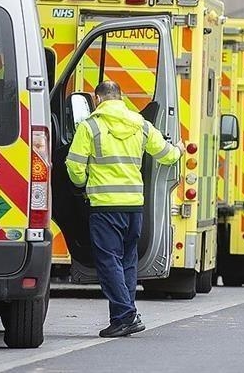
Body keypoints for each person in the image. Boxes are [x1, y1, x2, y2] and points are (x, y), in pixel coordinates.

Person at [65, 81, 184, 338]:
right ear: (121, 97)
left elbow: (74, 166)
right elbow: (166, 155)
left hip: (105, 206)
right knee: (127, 262)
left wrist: (81, 185)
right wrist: (179, 150)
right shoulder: (139, 124)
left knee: (108, 262)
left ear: (97, 99)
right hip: (134, 206)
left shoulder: (90, 126)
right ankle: (123, 317)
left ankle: (126, 315)